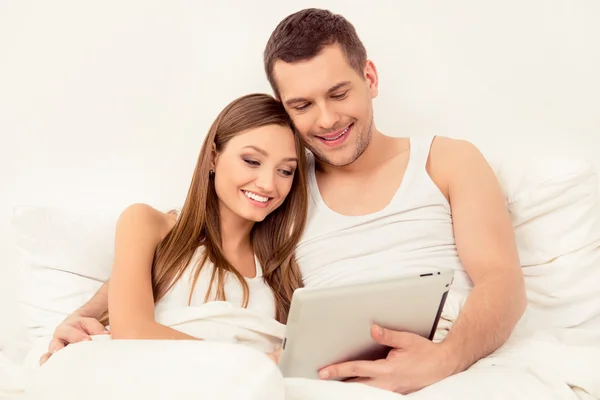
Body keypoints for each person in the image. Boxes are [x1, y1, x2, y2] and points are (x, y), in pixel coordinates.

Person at [42, 8, 551, 398]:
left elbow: (503, 282)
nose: (326, 120)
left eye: (339, 93)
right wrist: (85, 316)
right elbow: (179, 242)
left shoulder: (447, 160)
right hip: (328, 378)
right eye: (302, 105)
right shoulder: (284, 189)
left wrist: (444, 360)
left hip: (451, 359)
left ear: (369, 79)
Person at [39, 93, 308, 364]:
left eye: (285, 171)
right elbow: (131, 332)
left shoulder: (281, 268)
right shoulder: (148, 224)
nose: (268, 184)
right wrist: (258, 362)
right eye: (252, 161)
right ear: (213, 157)